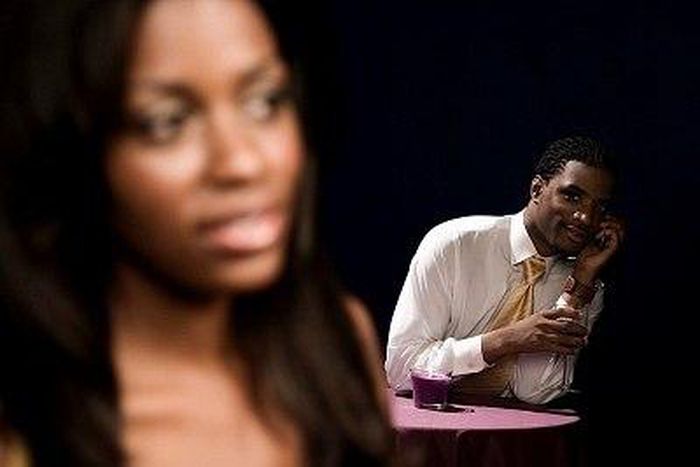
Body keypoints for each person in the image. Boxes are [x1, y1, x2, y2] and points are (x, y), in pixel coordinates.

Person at [0, 1, 392, 466]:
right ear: (71, 149)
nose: (242, 163)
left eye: (265, 102)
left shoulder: (338, 344)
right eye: (167, 123)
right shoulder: (27, 425)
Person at [385, 135, 625, 405]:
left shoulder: (584, 288)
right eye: (572, 196)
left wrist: (579, 282)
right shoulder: (455, 245)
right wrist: (505, 340)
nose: (585, 217)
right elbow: (401, 370)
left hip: (508, 430)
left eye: (599, 207)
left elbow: (535, 392)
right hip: (424, 424)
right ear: (537, 189)